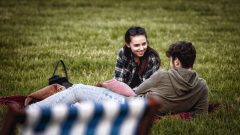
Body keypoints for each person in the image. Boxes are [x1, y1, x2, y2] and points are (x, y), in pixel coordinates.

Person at [28, 41, 208, 115]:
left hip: (129, 106)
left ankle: (30, 112)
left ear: (176, 62)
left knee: (78, 90)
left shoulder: (163, 76)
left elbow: (133, 92)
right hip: (145, 111)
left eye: (171, 60)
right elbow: (199, 113)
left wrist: (111, 85)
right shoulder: (202, 87)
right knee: (81, 103)